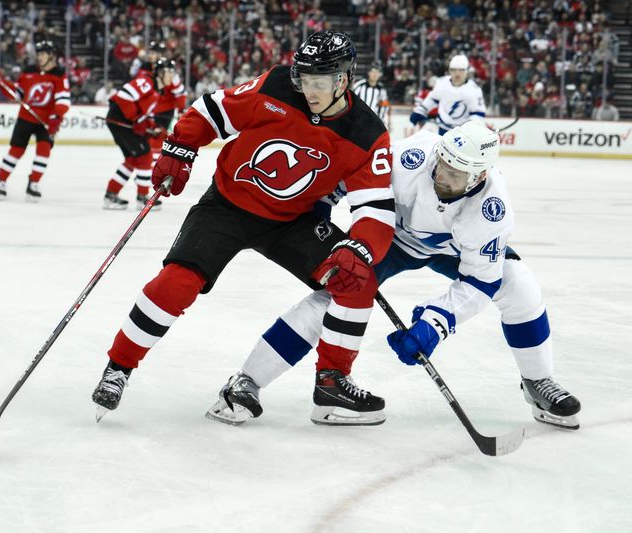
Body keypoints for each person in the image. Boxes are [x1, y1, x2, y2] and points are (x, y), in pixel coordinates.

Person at [92, 30, 396, 425]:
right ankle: (119, 366)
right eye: (304, 80)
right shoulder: (275, 85)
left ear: (343, 79)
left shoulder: (367, 134)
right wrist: (179, 147)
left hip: (293, 221)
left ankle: (331, 384)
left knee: (357, 281)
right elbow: (211, 110)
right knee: (177, 281)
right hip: (227, 206)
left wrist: (361, 247)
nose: (309, 91)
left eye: (319, 82)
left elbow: (376, 207)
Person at [206, 121, 581, 430]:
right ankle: (246, 382)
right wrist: (320, 206)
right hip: (389, 236)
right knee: (335, 299)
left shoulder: (491, 211)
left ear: (478, 175)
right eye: (442, 163)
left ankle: (538, 381)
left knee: (519, 285)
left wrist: (434, 324)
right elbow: (350, 175)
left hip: (448, 248)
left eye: (454, 172)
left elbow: (481, 281)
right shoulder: (412, 157)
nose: (441, 174)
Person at [0, 40, 70, 201]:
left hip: (46, 122)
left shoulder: (59, 74)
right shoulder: (28, 71)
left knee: (44, 150)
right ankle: (1, 181)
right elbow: (17, 94)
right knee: (16, 151)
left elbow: (63, 100)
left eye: (42, 54)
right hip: (25, 118)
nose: (39, 57)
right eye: (38, 54)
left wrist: (56, 117)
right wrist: (0, 82)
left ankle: (33, 183)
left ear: (51, 56)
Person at [102, 57, 176, 210]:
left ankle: (111, 195)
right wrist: (135, 120)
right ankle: (142, 198)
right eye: (169, 72)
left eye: (172, 72)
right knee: (145, 156)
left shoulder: (156, 90)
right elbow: (123, 97)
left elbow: (141, 113)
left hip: (123, 123)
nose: (172, 75)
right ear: (160, 73)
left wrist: (150, 125)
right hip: (120, 122)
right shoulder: (147, 82)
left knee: (132, 160)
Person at [410, 54, 486, 135]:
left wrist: (469, 129)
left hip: (462, 133)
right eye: (453, 70)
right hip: (442, 128)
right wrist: (419, 112)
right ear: (449, 71)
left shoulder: (474, 90)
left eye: (461, 70)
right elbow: (431, 100)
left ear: (466, 71)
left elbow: (478, 114)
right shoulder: (442, 83)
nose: (457, 73)